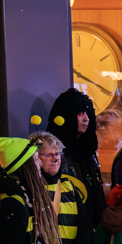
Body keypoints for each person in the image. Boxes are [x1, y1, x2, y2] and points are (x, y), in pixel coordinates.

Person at [48, 88, 106, 222]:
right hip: (68, 228)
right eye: (80, 113)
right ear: (68, 114)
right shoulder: (54, 153)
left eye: (88, 113)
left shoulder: (88, 153)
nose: (86, 119)